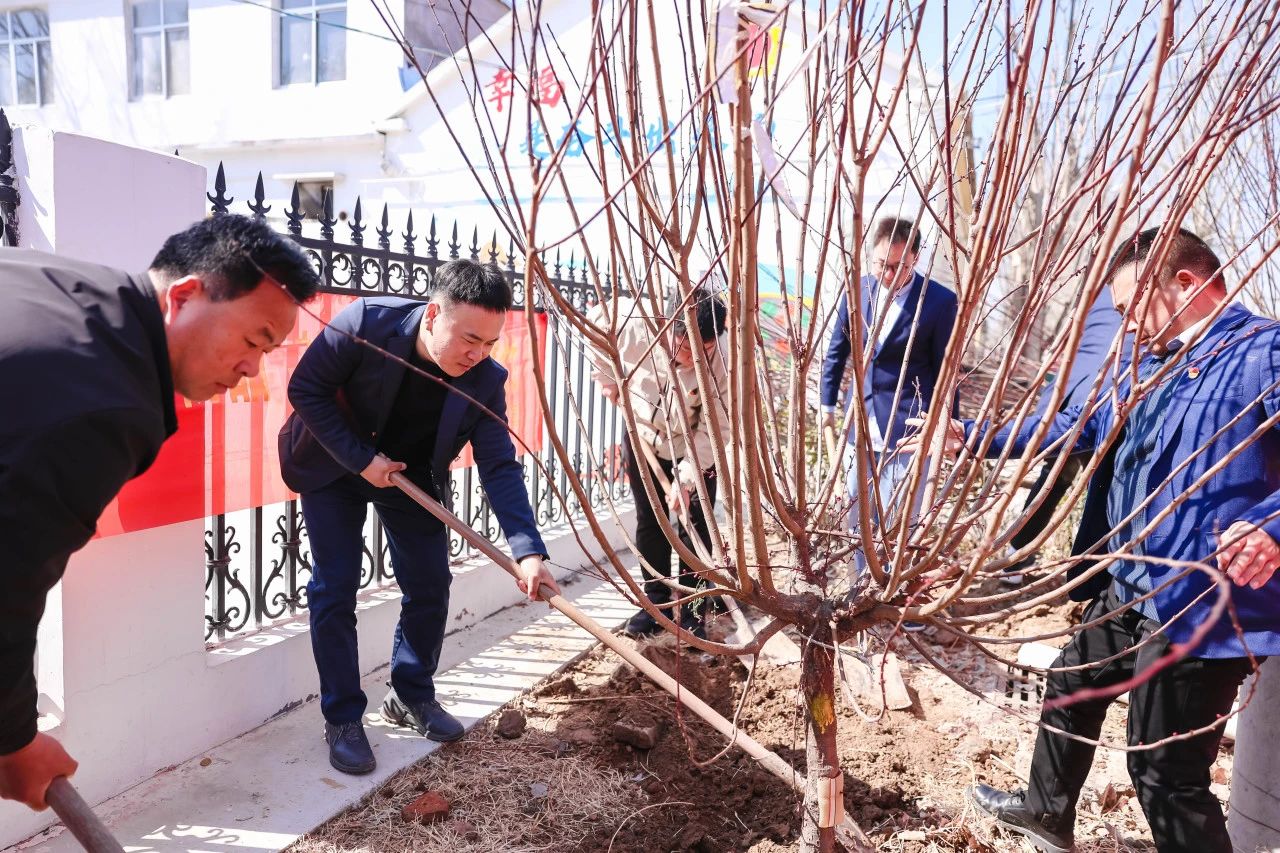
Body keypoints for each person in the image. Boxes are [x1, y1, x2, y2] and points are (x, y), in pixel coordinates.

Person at [912, 227, 1280, 853]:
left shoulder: (1263, 353)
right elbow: (1076, 426)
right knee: (1071, 683)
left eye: (1132, 307)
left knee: (1164, 774)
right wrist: (971, 437)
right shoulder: (1149, 365)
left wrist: (1271, 527)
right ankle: (1045, 812)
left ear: (1185, 283)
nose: (1126, 325)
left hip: (1205, 599)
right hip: (1132, 579)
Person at [0, 215, 319, 812]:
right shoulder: (104, 402)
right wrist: (12, 739)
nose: (253, 369)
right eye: (253, 341)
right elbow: (7, 576)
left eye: (268, 351)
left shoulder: (56, 282)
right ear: (185, 295)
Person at [279, 258, 560, 775]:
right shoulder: (366, 323)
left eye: (490, 343)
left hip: (411, 475)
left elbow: (499, 464)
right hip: (334, 464)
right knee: (335, 587)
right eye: (469, 339)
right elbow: (306, 389)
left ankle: (409, 694)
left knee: (430, 581)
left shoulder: (485, 379)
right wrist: (361, 460)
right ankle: (342, 716)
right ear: (433, 314)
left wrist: (528, 550)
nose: (478, 355)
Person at [820, 217, 958, 586]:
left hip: (909, 429)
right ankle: (859, 589)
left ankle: (894, 591)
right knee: (855, 516)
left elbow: (947, 372)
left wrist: (947, 430)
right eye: (882, 264)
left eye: (900, 266)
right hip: (860, 424)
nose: (889, 274)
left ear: (916, 259)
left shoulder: (940, 302)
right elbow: (836, 351)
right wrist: (827, 405)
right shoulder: (857, 290)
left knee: (901, 520)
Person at [585, 289, 729, 640]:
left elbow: (716, 429)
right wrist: (607, 380)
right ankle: (656, 604)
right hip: (643, 436)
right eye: (687, 349)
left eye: (705, 349)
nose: (696, 358)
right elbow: (593, 328)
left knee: (696, 524)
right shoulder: (634, 325)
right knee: (651, 520)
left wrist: (687, 477)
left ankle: (694, 610)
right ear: (668, 326)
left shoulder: (721, 362)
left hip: (693, 444)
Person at [1000, 287, 1131, 585]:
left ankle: (1016, 556)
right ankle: (1095, 573)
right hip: (1104, 398)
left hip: (1067, 392)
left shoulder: (1102, 292)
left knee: (1056, 477)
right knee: (1101, 486)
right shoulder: (1150, 294)